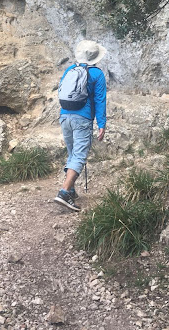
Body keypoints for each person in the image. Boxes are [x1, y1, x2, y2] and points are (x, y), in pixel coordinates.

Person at [54, 40, 107, 212]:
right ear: (95, 58)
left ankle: (70, 191)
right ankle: (63, 193)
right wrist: (102, 124)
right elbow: (100, 100)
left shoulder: (70, 70)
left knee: (72, 154)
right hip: (82, 119)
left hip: (65, 117)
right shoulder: (97, 74)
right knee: (78, 156)